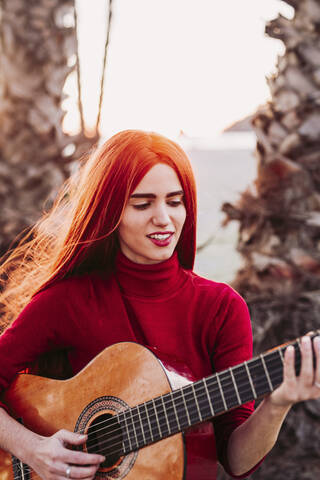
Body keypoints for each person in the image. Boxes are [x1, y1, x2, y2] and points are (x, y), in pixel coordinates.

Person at [0, 129, 319, 480]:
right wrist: (31, 448)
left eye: (175, 201)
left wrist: (278, 403)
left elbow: (236, 460)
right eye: (142, 203)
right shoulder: (67, 301)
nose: (164, 218)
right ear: (111, 211)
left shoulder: (222, 308)